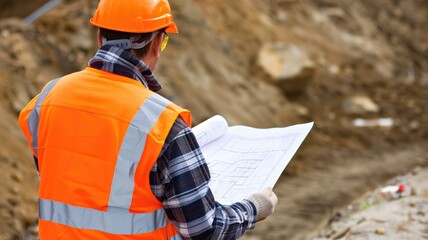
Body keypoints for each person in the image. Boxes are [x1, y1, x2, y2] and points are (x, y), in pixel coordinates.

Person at [18, 0, 278, 239]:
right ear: (156, 43)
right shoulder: (162, 124)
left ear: (100, 36)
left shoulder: (47, 100)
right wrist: (254, 208)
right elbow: (205, 230)